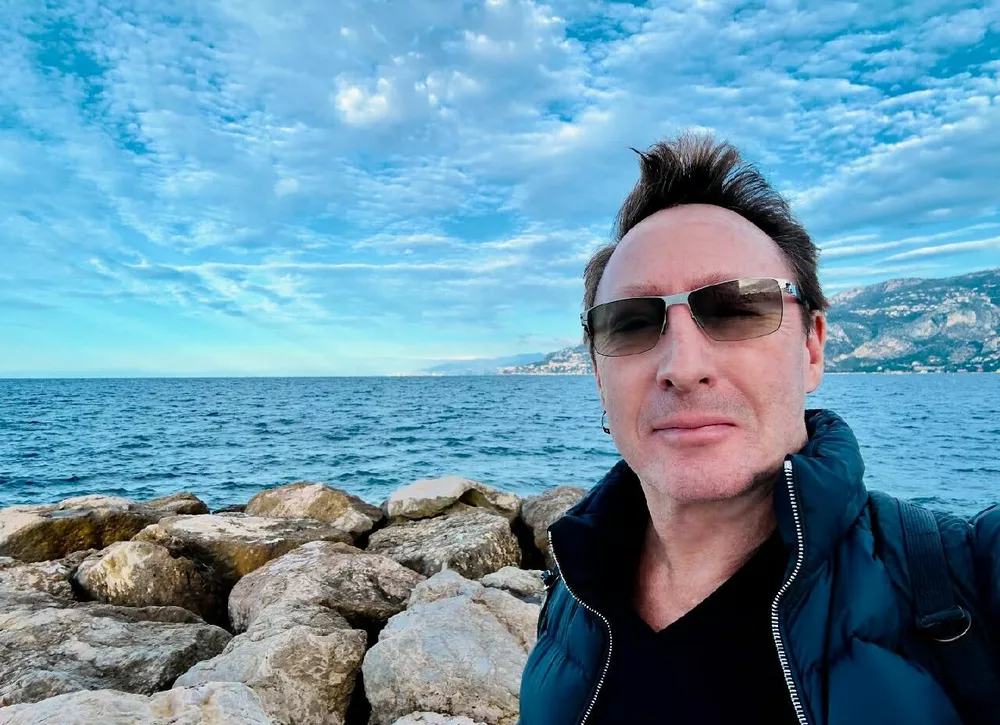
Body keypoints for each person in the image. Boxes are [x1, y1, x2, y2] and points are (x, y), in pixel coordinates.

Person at [517, 134, 1000, 725]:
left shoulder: (967, 574)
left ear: (813, 348)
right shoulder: (573, 593)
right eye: (631, 323)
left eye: (737, 309)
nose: (683, 367)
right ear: (598, 374)